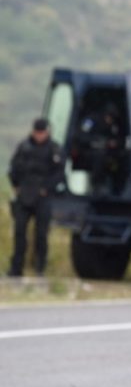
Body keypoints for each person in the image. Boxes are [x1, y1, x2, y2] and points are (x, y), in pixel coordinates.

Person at [7, 118, 65, 277]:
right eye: (37, 132)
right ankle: (16, 268)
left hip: (42, 197)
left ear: (47, 132)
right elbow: (13, 168)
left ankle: (40, 268)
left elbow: (59, 173)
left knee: (41, 234)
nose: (39, 135)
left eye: (42, 132)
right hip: (24, 195)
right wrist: (16, 185)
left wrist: (46, 188)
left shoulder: (54, 149)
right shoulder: (24, 147)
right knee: (19, 231)